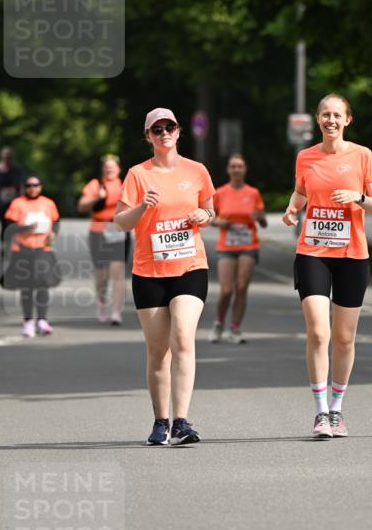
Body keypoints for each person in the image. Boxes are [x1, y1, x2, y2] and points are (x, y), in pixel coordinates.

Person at [282, 93, 372, 440]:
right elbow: (301, 191)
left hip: (352, 256)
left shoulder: (362, 156)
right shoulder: (305, 157)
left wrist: (356, 197)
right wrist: (292, 209)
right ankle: (321, 411)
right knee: (318, 332)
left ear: (347, 120)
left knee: (343, 338)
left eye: (337, 115)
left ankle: (338, 409)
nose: (331, 120)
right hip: (312, 252)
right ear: (318, 119)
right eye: (325, 114)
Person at [114, 108, 216, 446]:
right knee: (158, 352)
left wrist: (205, 214)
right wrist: (143, 206)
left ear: (178, 131)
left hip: (190, 266)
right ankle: (160, 422)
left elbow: (210, 210)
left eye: (169, 126)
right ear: (148, 137)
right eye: (156, 129)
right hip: (149, 271)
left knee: (183, 337)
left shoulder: (196, 170)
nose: (163, 133)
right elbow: (122, 222)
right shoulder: (137, 175)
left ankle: (182, 422)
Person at [209, 153, 267, 344]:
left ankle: (234, 328)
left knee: (241, 287)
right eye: (233, 166)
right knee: (226, 289)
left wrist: (259, 217)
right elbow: (210, 218)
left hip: (248, 244)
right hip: (226, 244)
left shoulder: (253, 193)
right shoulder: (220, 192)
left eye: (239, 166)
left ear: (245, 169)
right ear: (228, 169)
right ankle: (219, 322)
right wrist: (220, 223)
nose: (236, 169)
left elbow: (263, 221)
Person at [0, 175, 61, 337]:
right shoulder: (18, 203)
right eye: (29, 185)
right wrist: (26, 227)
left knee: (43, 284)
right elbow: (9, 228)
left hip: (43, 249)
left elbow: (56, 222)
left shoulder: (48, 203)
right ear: (24, 187)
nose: (32, 188)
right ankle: (28, 321)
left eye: (36, 185)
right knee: (27, 286)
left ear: (40, 186)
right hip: (23, 249)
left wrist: (53, 233)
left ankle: (42, 320)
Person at [78, 154, 130, 325]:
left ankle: (116, 312)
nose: (109, 169)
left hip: (118, 229)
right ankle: (101, 304)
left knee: (118, 271)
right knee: (102, 276)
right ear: (103, 169)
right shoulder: (95, 184)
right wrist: (97, 197)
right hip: (98, 230)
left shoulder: (125, 185)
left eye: (112, 166)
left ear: (118, 169)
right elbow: (81, 206)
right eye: (106, 167)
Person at [0, 147, 25, 252]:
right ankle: (4, 244)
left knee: (11, 223)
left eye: (9, 158)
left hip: (13, 203)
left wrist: (23, 200)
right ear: (1, 157)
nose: (7, 160)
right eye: (5, 157)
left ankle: (11, 243)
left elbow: (21, 185)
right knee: (3, 223)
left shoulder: (16, 169)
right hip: (0, 203)